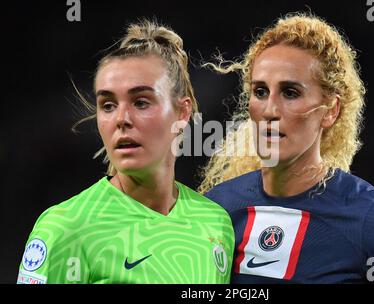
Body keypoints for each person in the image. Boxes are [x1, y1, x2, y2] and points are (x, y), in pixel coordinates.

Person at [199, 13, 374, 283]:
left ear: (331, 111)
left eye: (290, 93)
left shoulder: (373, 216)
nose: (269, 110)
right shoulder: (217, 208)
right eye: (260, 92)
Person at [17, 19, 234, 284]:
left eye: (141, 102)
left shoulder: (215, 222)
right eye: (107, 105)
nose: (122, 118)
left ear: (183, 112)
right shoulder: (67, 227)